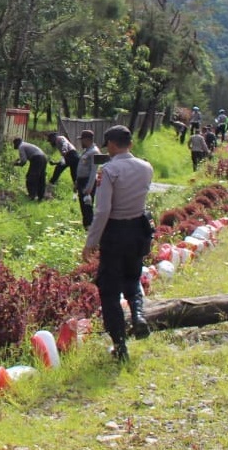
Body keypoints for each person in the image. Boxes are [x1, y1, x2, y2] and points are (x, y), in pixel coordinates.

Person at [82, 125, 154, 363]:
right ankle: (139, 315)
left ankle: (120, 345)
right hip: (138, 229)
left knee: (110, 289)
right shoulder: (146, 167)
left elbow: (102, 210)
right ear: (130, 144)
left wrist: (91, 241)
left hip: (115, 232)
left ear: (111, 145)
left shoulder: (109, 171)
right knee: (132, 278)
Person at [75, 129, 101, 230]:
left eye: (82, 140)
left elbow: (94, 171)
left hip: (88, 181)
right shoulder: (87, 151)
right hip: (82, 181)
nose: (81, 142)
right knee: (83, 203)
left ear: (87, 140)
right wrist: (77, 182)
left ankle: (90, 226)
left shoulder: (94, 152)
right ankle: (86, 224)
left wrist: (89, 187)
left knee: (87, 205)